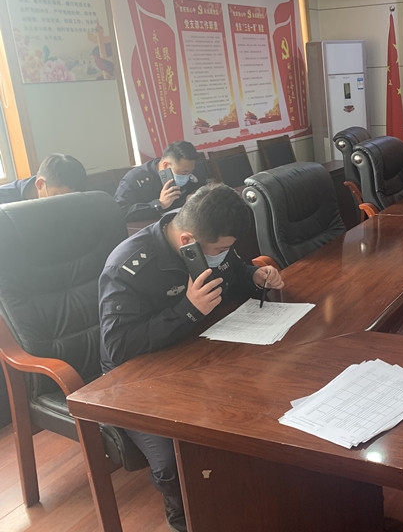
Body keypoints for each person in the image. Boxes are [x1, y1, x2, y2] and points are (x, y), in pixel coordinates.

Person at [99, 184, 284, 531]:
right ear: (187, 240)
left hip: (199, 352)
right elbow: (118, 347)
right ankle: (182, 516)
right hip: (137, 378)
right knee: (176, 460)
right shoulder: (128, 266)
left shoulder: (206, 236)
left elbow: (232, 272)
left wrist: (254, 276)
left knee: (266, 403)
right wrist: (187, 309)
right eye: (220, 249)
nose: (223, 254)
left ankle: (254, 497)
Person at [115, 140, 206, 221]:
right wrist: (160, 204)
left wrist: (194, 196)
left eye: (190, 172)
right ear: (166, 165)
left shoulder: (190, 168)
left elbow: (201, 188)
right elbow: (121, 211)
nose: (187, 176)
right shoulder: (136, 178)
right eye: (184, 173)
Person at [0, 153, 86, 204]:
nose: (64, 205)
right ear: (40, 184)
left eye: (71, 200)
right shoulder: (4, 201)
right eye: (58, 198)